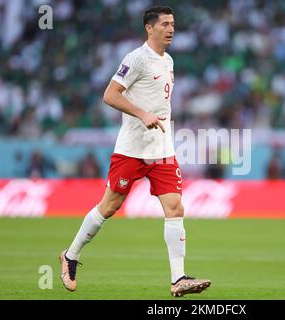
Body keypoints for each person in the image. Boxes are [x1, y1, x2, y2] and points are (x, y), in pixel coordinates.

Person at [59, 6, 211, 297]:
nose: (171, 29)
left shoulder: (169, 61)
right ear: (149, 28)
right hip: (131, 149)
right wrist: (142, 113)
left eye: (173, 24)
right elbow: (110, 94)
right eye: (165, 24)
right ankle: (71, 254)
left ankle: (178, 278)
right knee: (110, 207)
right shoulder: (136, 59)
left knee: (175, 207)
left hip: (162, 149)